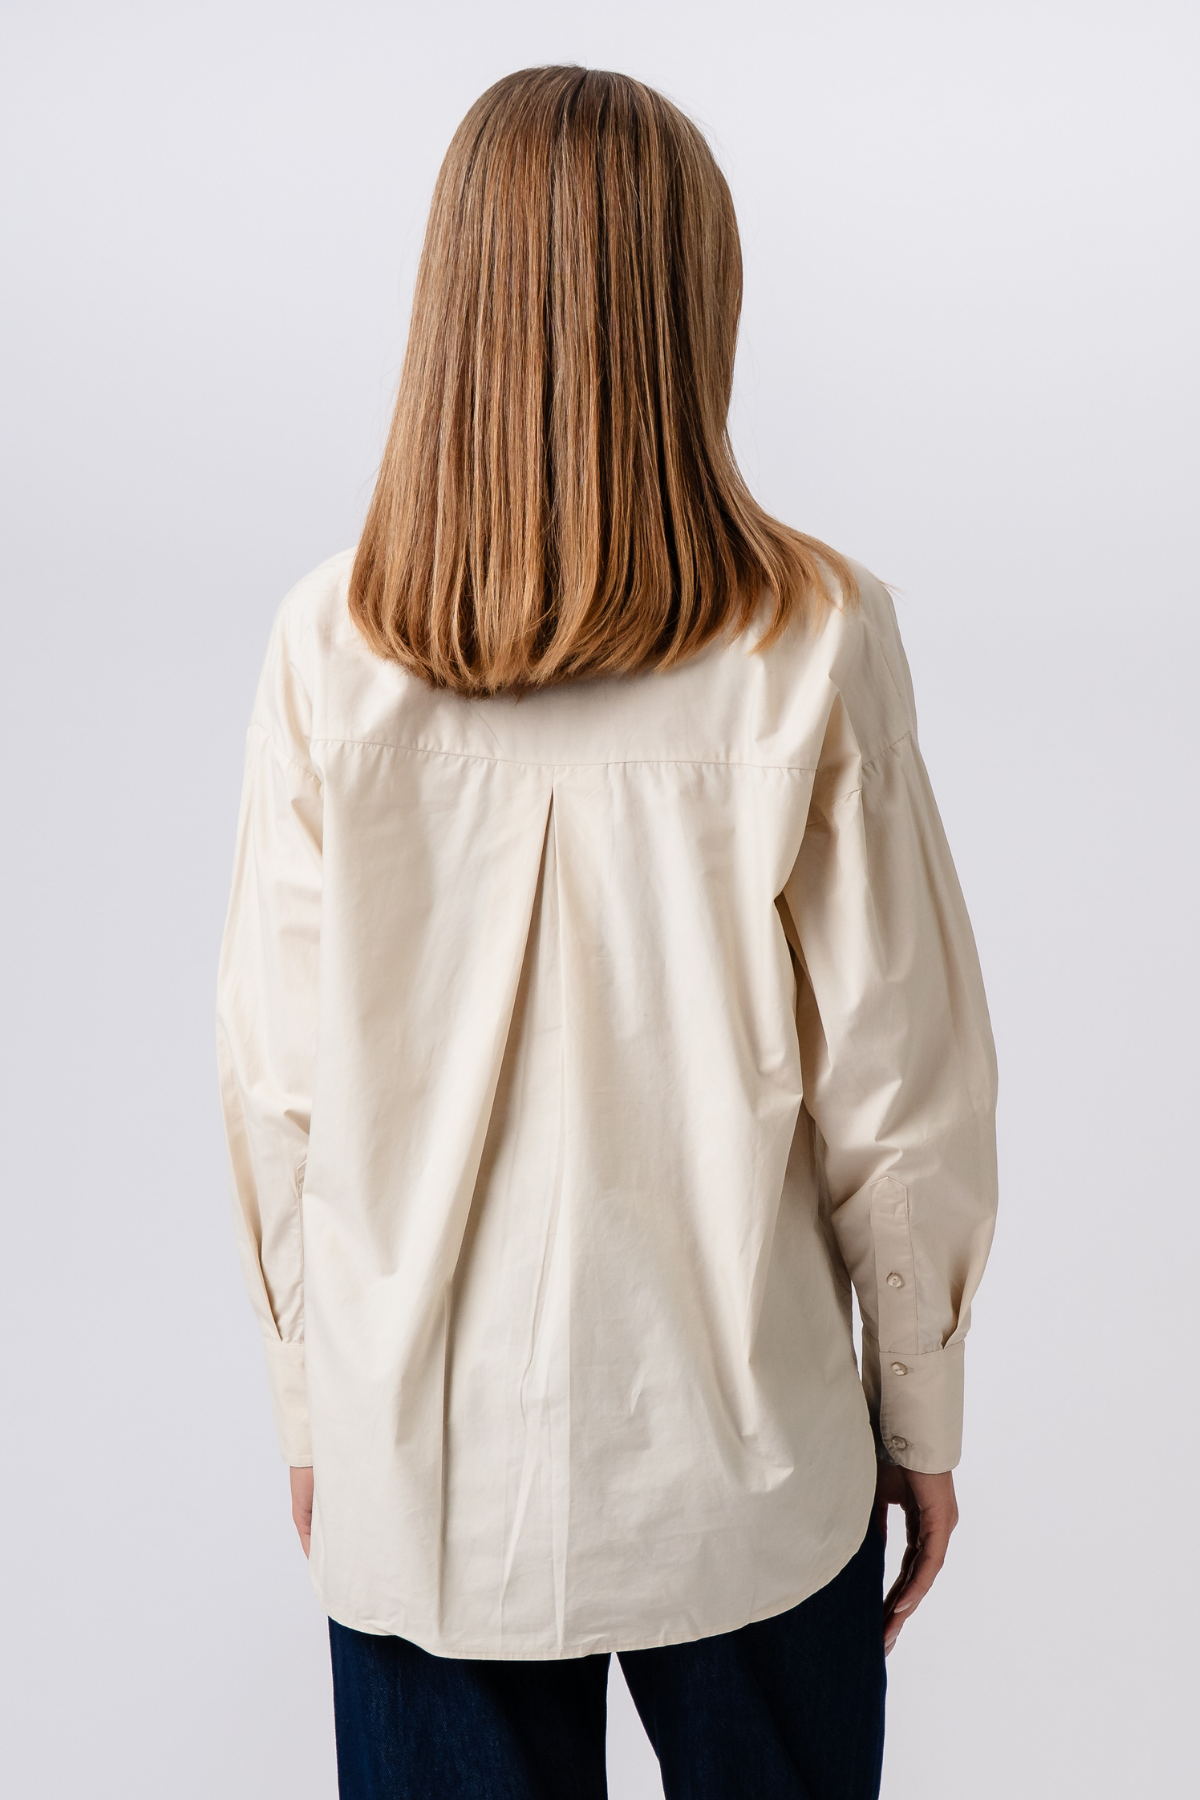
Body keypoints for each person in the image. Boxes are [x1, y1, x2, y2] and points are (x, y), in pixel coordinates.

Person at [216, 64, 997, 1800]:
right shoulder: (817, 638)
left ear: (454, 309)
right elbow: (902, 1094)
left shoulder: (325, 651)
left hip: (424, 1473)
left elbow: (281, 1100)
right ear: (697, 304)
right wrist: (923, 1413)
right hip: (748, 1457)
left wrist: (313, 1408)